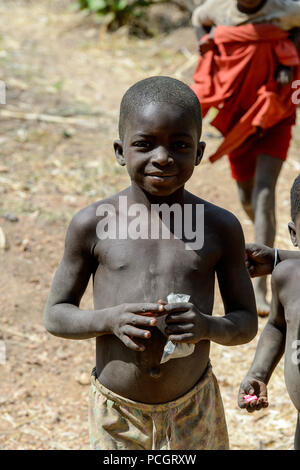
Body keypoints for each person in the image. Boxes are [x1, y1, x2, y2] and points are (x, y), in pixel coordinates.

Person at [44, 76, 257, 450]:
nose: (163, 158)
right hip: (118, 414)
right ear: (120, 150)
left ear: (199, 152)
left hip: (194, 407)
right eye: (145, 144)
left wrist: (206, 326)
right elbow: (56, 315)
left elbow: (245, 323)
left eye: (179, 145)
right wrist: (109, 319)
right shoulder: (93, 225)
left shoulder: (219, 227)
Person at [190, 0, 300, 316]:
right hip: (238, 118)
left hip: (275, 113)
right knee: (247, 196)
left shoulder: (285, 9)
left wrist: (289, 58)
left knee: (264, 195)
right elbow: (199, 20)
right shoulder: (219, 9)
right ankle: (264, 233)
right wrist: (207, 49)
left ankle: (260, 289)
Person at [238, 174, 300, 450]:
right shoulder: (288, 277)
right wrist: (258, 374)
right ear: (294, 233)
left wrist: (277, 257)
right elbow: (277, 326)